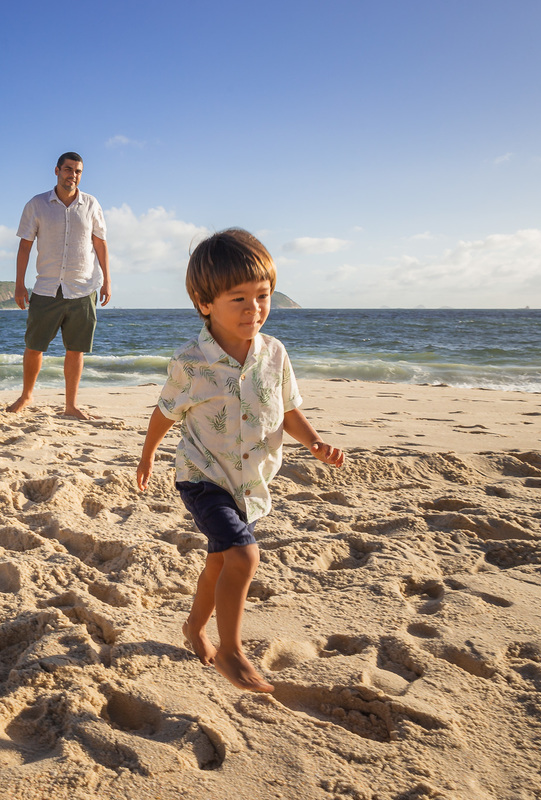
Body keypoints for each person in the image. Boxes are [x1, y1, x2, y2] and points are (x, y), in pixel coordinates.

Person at [136, 228, 345, 693]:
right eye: (239, 299)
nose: (254, 309)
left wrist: (315, 444)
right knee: (244, 555)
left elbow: (288, 410)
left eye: (263, 296)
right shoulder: (191, 362)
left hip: (247, 481)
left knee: (220, 561)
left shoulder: (274, 353)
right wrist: (147, 456)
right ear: (204, 301)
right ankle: (230, 648)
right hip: (202, 477)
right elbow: (164, 413)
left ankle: (193, 628)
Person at [6, 152, 110, 419]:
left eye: (77, 171)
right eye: (67, 169)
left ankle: (71, 405)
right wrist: (19, 284)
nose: (72, 175)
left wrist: (107, 280)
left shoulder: (91, 204)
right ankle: (26, 396)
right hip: (47, 287)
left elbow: (100, 243)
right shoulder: (37, 204)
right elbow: (25, 246)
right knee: (34, 345)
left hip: (83, 287)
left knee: (76, 349)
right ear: (56, 171)